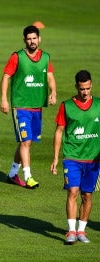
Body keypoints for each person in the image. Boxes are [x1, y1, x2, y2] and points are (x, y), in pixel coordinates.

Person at [0, 25, 57, 188]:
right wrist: (4, 99)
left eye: (34, 38)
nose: (32, 41)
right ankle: (28, 176)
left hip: (37, 106)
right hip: (20, 106)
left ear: (39, 39)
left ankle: (12, 174)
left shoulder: (45, 57)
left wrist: (53, 92)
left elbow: (50, 77)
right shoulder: (17, 57)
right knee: (25, 141)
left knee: (27, 141)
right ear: (24, 40)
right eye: (29, 38)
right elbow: (6, 77)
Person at [50, 70, 99, 244]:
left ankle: (81, 231)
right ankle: (71, 231)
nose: (85, 92)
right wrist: (56, 158)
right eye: (81, 89)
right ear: (76, 87)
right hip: (72, 157)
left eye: (87, 88)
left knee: (87, 195)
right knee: (73, 191)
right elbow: (59, 131)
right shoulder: (67, 106)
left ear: (91, 85)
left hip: (93, 160)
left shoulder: (99, 105)